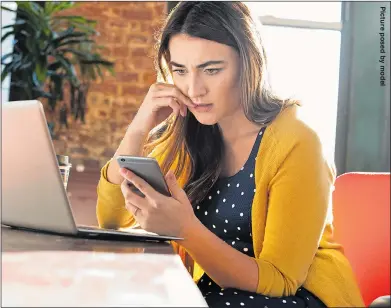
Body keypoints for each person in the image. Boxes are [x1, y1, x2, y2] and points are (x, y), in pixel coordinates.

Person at [96, 2, 364, 307]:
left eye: (211, 70)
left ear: (248, 63)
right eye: (180, 71)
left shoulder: (298, 142)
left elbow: (280, 281)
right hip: (221, 293)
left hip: (295, 297)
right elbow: (113, 219)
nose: (194, 89)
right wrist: (138, 125)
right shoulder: (190, 133)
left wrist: (185, 229)